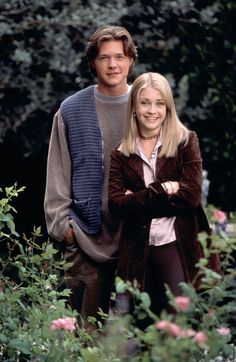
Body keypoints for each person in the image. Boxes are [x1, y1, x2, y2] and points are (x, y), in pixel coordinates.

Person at [44, 25, 137, 330]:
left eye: (120, 57)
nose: (113, 65)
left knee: (130, 337)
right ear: (93, 63)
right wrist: (64, 227)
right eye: (104, 58)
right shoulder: (71, 109)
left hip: (135, 240)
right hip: (85, 236)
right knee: (80, 336)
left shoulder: (147, 105)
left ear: (130, 60)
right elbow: (58, 170)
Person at [108, 72, 222, 318]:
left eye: (159, 103)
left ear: (168, 107)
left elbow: (190, 197)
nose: (152, 110)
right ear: (134, 107)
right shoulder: (120, 152)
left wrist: (136, 199)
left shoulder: (185, 142)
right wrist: (160, 190)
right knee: (139, 327)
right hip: (136, 250)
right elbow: (116, 204)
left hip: (175, 245)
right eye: (145, 102)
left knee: (175, 324)